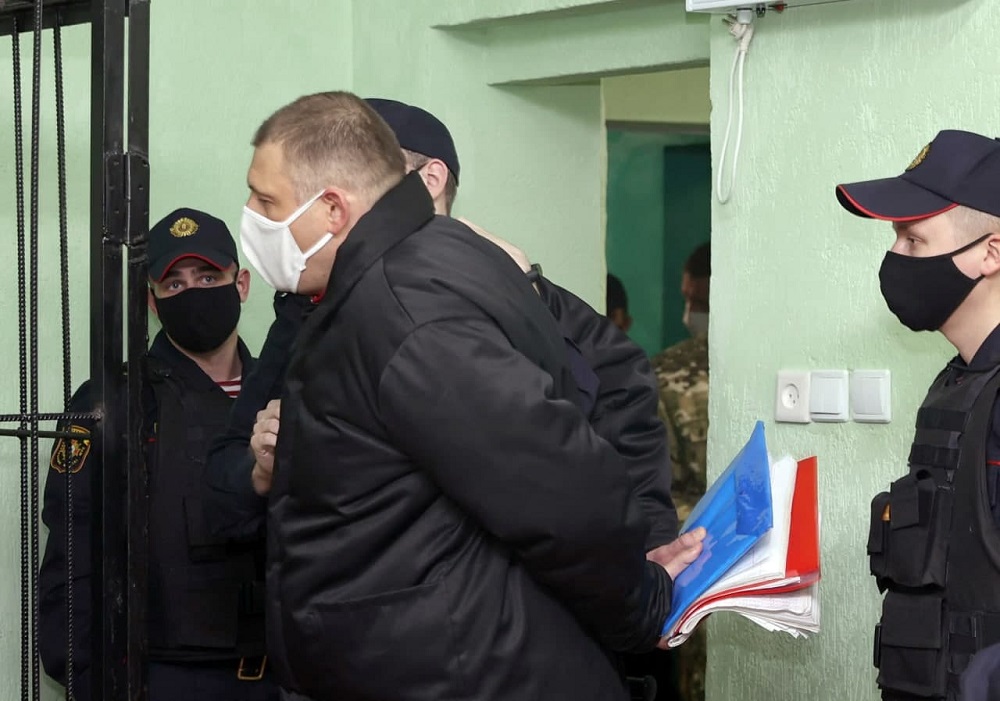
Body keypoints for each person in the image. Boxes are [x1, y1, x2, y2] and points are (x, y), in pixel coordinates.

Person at [235, 90, 703, 701]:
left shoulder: (402, 313)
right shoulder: (427, 260)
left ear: (332, 208)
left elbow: (555, 481)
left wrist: (643, 602)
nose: (251, 214)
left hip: (458, 671)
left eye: (266, 200)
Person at [38, 209, 278, 701]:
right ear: (153, 302)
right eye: (174, 284)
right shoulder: (112, 400)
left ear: (241, 285)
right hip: (162, 677)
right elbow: (74, 549)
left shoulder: (284, 394)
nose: (192, 292)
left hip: (284, 675)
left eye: (208, 277)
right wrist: (84, 675)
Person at [836, 129, 1000, 701]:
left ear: (991, 253)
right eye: (895, 240)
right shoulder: (959, 379)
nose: (896, 259)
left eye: (914, 240)